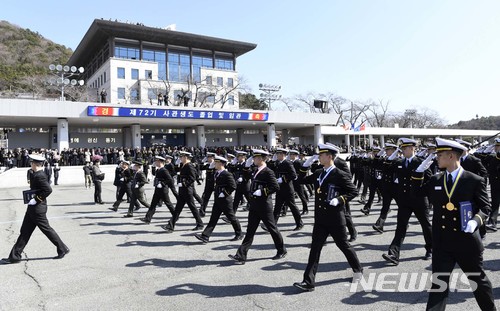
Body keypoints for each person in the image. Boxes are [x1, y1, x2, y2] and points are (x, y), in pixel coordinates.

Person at [411, 137, 495, 311]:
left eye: (439, 155)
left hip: (466, 242)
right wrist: (419, 171)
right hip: (442, 242)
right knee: (438, 285)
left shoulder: (473, 180)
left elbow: (485, 207)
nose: (436, 158)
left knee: (478, 282)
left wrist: (476, 221)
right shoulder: (436, 179)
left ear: (451, 156)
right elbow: (416, 192)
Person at [293, 144, 362, 292]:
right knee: (315, 249)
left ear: (329, 156)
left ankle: (358, 270)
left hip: (335, 218)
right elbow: (300, 181)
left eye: (321, 155)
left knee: (344, 245)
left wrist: (340, 199)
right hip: (321, 219)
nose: (319, 157)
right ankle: (308, 281)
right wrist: (305, 166)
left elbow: (353, 191)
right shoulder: (319, 172)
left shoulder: (340, 174)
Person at [1, 154, 69, 264]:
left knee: (46, 230)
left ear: (34, 164)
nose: (30, 164)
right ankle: (15, 256)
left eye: (31, 163)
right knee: (25, 232)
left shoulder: (40, 175)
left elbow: (48, 190)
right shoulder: (36, 173)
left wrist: (36, 199)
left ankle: (62, 249)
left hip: (37, 208)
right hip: (33, 208)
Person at [228, 149, 286, 264]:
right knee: (250, 231)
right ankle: (241, 255)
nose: (253, 159)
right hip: (254, 205)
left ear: (260, 159)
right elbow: (246, 175)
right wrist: (246, 165)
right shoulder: (256, 170)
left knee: (272, 229)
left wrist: (263, 191)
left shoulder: (268, 171)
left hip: (264, 205)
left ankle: (281, 250)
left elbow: (275, 187)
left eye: (255, 158)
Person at [381, 138, 433, 265]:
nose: (403, 151)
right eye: (402, 148)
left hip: (419, 200)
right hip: (404, 200)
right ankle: (394, 253)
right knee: (400, 227)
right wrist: (393, 154)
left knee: (426, 226)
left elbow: (430, 180)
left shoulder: (421, 162)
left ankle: (430, 249)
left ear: (412, 148)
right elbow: (386, 167)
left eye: (405, 148)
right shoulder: (399, 162)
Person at [194, 156, 243, 243]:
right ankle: (205, 236)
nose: (214, 164)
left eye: (216, 163)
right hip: (217, 199)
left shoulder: (227, 174)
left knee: (231, 217)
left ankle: (239, 233)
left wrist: (224, 193)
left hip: (225, 200)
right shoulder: (216, 173)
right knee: (213, 218)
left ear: (221, 163)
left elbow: (233, 186)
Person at [161, 151, 204, 232]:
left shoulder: (189, 165)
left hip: (187, 190)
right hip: (182, 190)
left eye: (181, 157)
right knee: (178, 209)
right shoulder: (183, 165)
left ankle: (200, 224)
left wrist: (184, 184)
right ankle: (170, 225)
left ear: (186, 157)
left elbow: (193, 178)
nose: (180, 158)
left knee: (192, 207)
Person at [268, 148, 303, 231]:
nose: (277, 155)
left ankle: (299, 223)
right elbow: (270, 169)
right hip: (280, 189)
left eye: (279, 154)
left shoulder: (288, 163)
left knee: (292, 207)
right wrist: (272, 162)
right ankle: (272, 225)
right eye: (277, 154)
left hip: (287, 189)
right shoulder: (277, 163)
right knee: (277, 207)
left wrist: (283, 179)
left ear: (283, 155)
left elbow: (293, 175)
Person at [140, 156, 175, 223]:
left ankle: (175, 215)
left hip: (163, 190)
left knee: (168, 203)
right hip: (157, 189)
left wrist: (162, 183)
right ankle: (148, 218)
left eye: (156, 161)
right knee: (153, 204)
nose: (155, 162)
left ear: (160, 162)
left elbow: (170, 179)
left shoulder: (164, 170)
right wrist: (153, 167)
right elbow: (154, 174)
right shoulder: (159, 169)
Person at [485, 138, 500, 232]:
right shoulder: (492, 157)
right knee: (494, 204)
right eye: (495, 146)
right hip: (495, 184)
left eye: (498, 146)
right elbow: (480, 157)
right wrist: (487, 150)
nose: (496, 148)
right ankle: (492, 222)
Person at [199, 152, 216, 217]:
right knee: (205, 198)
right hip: (208, 184)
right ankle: (202, 211)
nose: (208, 159)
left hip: (215, 184)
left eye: (210, 157)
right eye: (208, 157)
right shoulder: (207, 165)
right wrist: (202, 161)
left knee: (218, 199)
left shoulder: (216, 165)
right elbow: (200, 168)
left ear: (213, 158)